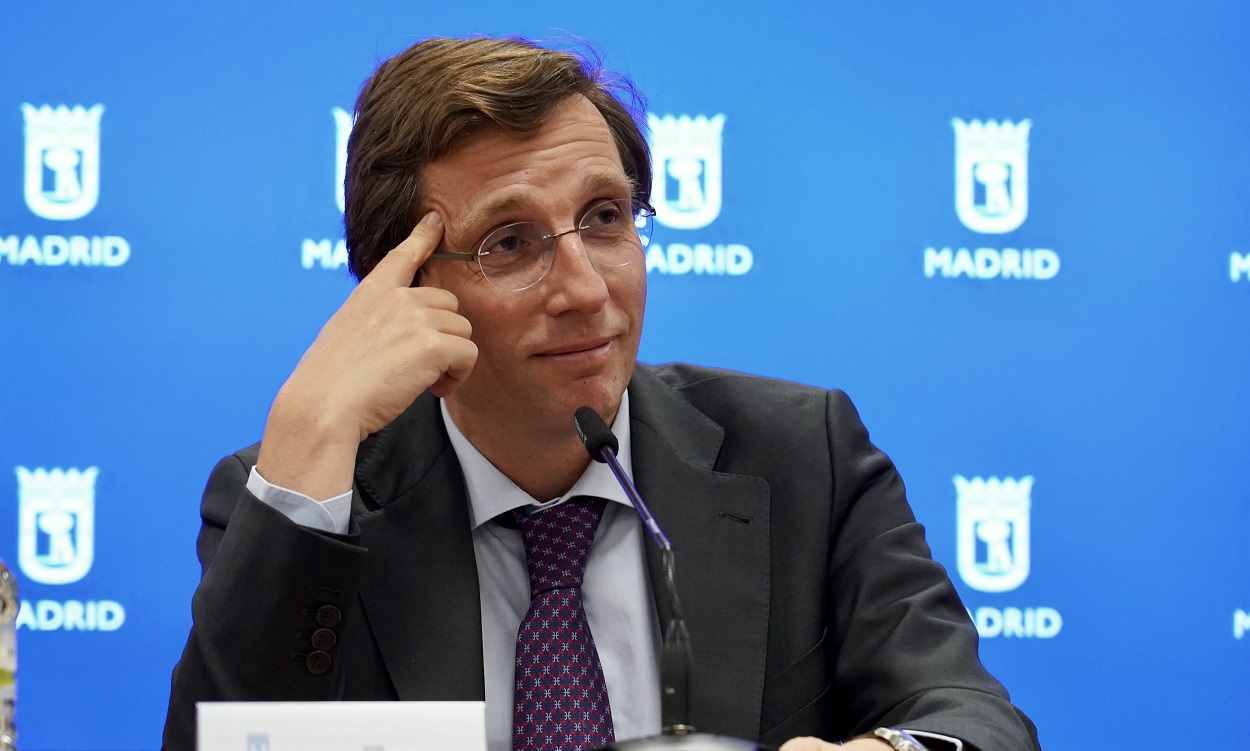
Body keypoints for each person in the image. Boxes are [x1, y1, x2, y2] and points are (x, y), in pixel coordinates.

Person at [162, 37, 1041, 751]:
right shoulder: (307, 497)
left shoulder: (802, 453)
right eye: (510, 242)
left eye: (605, 218)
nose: (586, 288)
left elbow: (972, 715)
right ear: (406, 289)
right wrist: (314, 432)